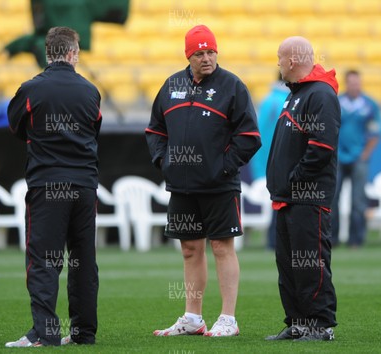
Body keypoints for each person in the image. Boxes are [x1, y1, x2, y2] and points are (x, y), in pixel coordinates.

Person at [145, 24, 261, 337]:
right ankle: (193, 318)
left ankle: (228, 319)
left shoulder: (232, 86)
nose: (207, 58)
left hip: (219, 185)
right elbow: (155, 130)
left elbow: (249, 136)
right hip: (181, 185)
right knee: (189, 249)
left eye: (211, 51)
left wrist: (224, 167)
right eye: (200, 53)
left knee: (222, 247)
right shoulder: (171, 85)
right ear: (189, 55)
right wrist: (164, 162)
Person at [5, 26, 102, 347]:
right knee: (83, 259)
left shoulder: (31, 90)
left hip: (48, 184)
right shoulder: (91, 92)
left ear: (48, 54)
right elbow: (94, 129)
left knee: (44, 260)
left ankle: (44, 334)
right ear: (74, 53)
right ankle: (83, 333)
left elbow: (17, 127)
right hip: (85, 186)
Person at [265, 36, 339, 341]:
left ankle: (320, 325)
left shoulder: (320, 94)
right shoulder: (297, 93)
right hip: (289, 196)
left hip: (308, 196)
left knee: (311, 261)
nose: (279, 64)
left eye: (280, 58)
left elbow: (321, 147)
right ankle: (298, 322)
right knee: (289, 263)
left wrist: (294, 178)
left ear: (292, 61)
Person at [332, 70, 381, 248]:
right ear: (346, 83)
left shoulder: (369, 105)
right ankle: (332, 239)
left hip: (359, 158)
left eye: (357, 82)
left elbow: (376, 132)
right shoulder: (337, 102)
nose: (354, 86)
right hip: (337, 157)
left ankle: (356, 240)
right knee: (332, 199)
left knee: (358, 200)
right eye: (351, 82)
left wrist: (365, 153)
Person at [249, 73, 289, 250]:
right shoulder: (284, 101)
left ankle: (275, 241)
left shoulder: (269, 101)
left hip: (271, 163)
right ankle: (276, 241)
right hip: (280, 163)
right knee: (282, 203)